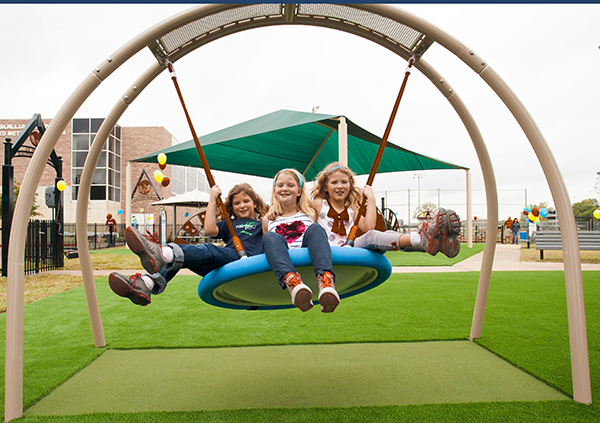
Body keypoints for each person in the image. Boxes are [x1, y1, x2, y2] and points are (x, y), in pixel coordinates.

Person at [109, 183, 267, 306]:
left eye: (246, 201)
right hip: (226, 265)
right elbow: (210, 229)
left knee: (208, 250)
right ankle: (146, 284)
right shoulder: (229, 224)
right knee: (180, 260)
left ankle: (163, 254)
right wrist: (212, 200)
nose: (242, 205)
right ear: (231, 207)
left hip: (246, 263)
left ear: (255, 203)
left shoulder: (262, 225)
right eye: (237, 203)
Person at [310, 162, 461, 257]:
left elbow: (369, 226)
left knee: (386, 235)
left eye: (344, 182)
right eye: (334, 182)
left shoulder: (352, 209)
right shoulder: (319, 204)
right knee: (372, 237)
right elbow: (304, 218)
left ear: (350, 186)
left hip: (350, 248)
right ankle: (422, 238)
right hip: (328, 251)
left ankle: (433, 243)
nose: (340, 186)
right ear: (325, 186)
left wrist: (371, 199)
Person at [263, 168, 338, 313]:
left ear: (299, 191)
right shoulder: (268, 219)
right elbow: (268, 247)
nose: (285, 188)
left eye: (290, 185)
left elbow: (329, 196)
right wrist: (272, 207)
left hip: (306, 254)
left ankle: (325, 281)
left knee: (316, 229)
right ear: (274, 190)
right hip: (285, 260)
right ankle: (292, 281)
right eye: (280, 185)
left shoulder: (310, 212)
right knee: (269, 237)